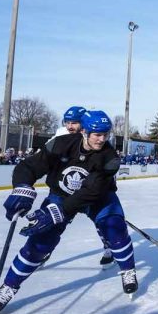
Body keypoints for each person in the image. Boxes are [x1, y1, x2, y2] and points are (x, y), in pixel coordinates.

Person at [0, 110, 138, 313]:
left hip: (97, 197)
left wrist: (59, 211)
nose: (102, 139)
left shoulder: (110, 157)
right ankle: (9, 286)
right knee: (40, 241)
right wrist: (22, 187)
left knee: (114, 227)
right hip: (60, 194)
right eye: (97, 134)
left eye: (105, 134)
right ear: (84, 131)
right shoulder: (61, 143)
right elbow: (30, 165)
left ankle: (128, 269)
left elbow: (92, 191)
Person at [47, 106, 114, 269]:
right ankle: (44, 249)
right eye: (67, 122)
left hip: (90, 188)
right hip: (65, 188)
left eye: (75, 123)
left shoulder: (97, 139)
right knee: (56, 221)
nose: (70, 126)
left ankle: (109, 245)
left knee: (101, 220)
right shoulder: (61, 136)